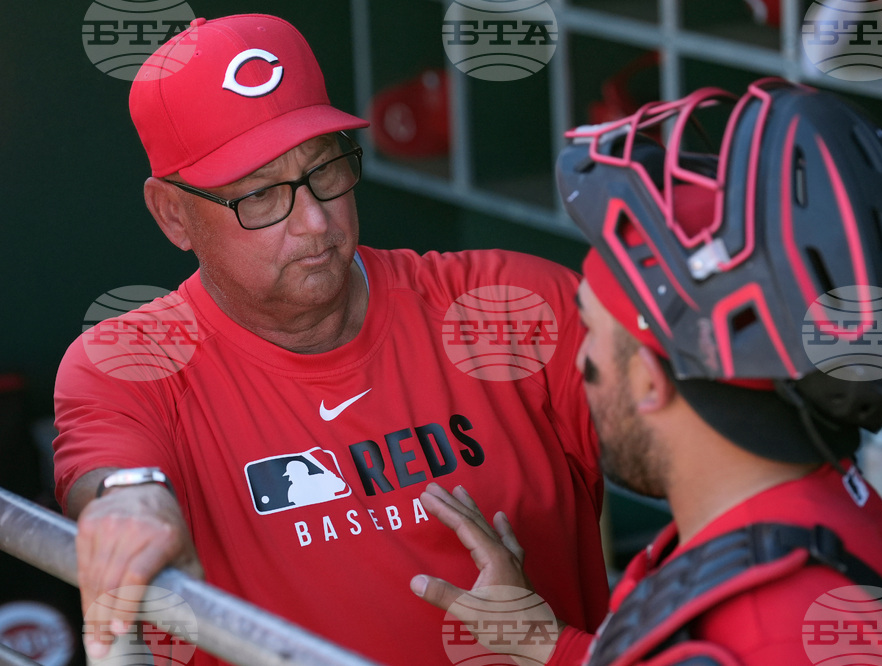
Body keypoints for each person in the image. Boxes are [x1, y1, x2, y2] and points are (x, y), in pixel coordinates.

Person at [52, 14, 609, 665]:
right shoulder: (131, 362)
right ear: (173, 214)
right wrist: (132, 498)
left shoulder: (510, 308)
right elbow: (113, 474)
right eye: (260, 195)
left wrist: (555, 649)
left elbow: (726, 474)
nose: (315, 221)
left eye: (326, 170)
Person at [410, 79, 882, 665]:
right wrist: (544, 646)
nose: (579, 361)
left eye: (594, 335)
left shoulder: (762, 629)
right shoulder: (830, 508)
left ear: (651, 382)